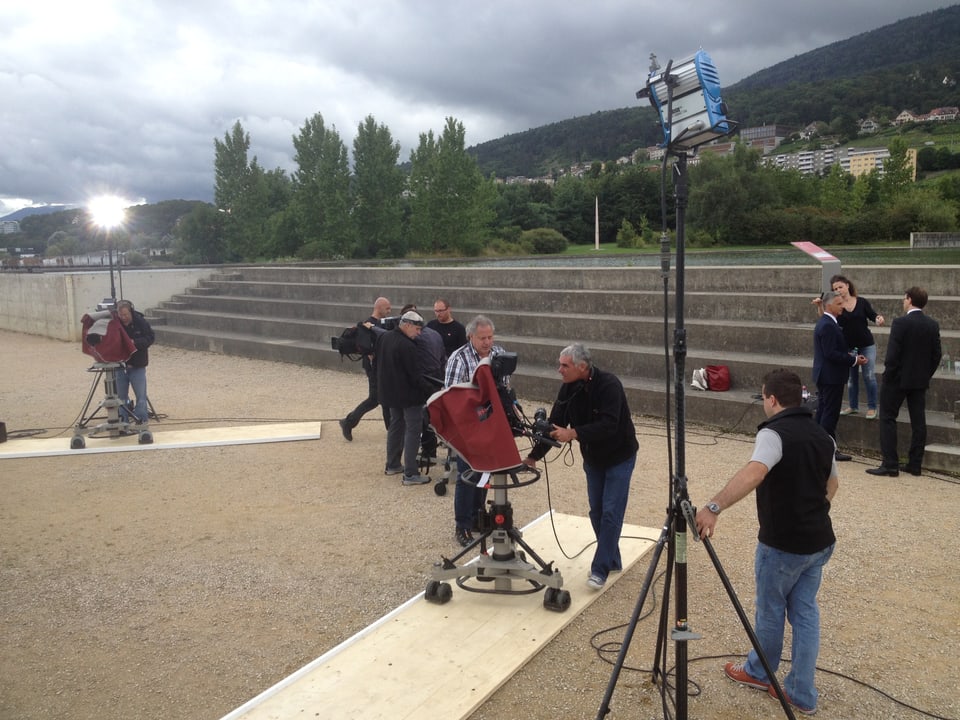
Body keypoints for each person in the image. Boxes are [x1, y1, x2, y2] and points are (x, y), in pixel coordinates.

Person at [695, 368, 838, 717]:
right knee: (805, 613)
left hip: (783, 545)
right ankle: (802, 692)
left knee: (771, 610)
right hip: (819, 541)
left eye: (763, 397)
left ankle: (760, 673)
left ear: (771, 399)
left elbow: (755, 472)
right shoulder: (823, 436)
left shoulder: (774, 433)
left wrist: (714, 507)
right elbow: (832, 485)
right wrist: (814, 512)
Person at [523, 343, 638, 591]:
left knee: (610, 513)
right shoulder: (567, 389)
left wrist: (574, 433)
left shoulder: (609, 385)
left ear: (582, 366)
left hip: (620, 456)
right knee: (596, 512)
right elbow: (556, 425)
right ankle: (613, 559)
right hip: (593, 459)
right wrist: (533, 457)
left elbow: (609, 424)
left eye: (564, 365)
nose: (559, 370)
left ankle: (600, 569)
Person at [866, 287, 942, 477]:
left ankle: (890, 463)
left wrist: (889, 375)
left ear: (909, 299)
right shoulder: (932, 324)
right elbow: (936, 355)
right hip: (919, 380)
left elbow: (893, 355)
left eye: (904, 298)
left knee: (888, 418)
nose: (903, 301)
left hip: (897, 379)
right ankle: (915, 464)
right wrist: (926, 375)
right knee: (919, 421)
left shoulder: (900, 323)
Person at [444, 315, 505, 546]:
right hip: (467, 427)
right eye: (482, 338)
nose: (487, 342)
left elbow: (505, 387)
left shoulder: (499, 354)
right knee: (467, 475)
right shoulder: (458, 359)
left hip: (491, 424)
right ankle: (463, 525)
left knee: (486, 474)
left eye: (490, 337)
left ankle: (479, 517)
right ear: (471, 336)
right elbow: (451, 398)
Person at [813, 275, 884, 419]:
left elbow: (872, 315)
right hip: (849, 347)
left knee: (869, 375)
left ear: (847, 285)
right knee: (851, 379)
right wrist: (820, 306)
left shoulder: (861, 302)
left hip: (866, 344)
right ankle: (853, 405)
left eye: (840, 287)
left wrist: (878, 318)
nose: (839, 290)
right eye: (835, 289)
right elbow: (826, 317)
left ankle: (872, 407)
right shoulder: (836, 304)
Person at [377, 311, 434, 485]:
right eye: (417, 329)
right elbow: (415, 376)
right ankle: (410, 473)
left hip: (390, 393)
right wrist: (431, 390)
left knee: (396, 425)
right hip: (408, 395)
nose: (419, 333)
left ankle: (392, 464)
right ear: (407, 325)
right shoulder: (407, 346)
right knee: (413, 430)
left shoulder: (385, 338)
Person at [812, 290, 866, 461]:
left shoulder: (827, 322)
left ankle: (818, 447)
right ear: (829, 306)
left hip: (826, 375)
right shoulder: (828, 324)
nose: (842, 306)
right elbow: (831, 353)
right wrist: (853, 360)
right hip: (831, 376)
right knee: (829, 413)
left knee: (823, 411)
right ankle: (827, 449)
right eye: (839, 304)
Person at [339, 297, 391, 441]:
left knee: (381, 398)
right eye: (387, 308)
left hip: (381, 367)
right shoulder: (368, 325)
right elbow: (366, 349)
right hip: (374, 369)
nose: (389, 311)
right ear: (379, 307)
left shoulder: (381, 324)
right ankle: (348, 422)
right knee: (377, 399)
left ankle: (392, 429)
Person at [115, 299, 155, 424]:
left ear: (131, 312)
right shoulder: (115, 324)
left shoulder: (141, 322)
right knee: (121, 397)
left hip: (137, 365)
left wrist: (134, 343)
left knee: (141, 396)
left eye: (126, 315)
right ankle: (123, 420)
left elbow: (150, 338)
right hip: (120, 365)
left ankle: (141, 421)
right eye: (121, 315)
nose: (123, 317)